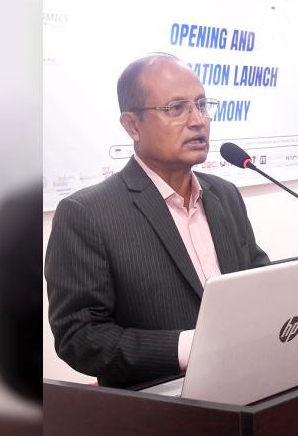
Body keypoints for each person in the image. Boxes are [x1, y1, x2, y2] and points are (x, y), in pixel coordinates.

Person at [45, 53, 270, 388]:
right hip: (159, 403)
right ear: (132, 125)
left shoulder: (225, 195)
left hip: (249, 385)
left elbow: (258, 280)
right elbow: (79, 337)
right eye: (176, 108)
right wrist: (187, 347)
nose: (198, 121)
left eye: (202, 105)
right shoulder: (87, 213)